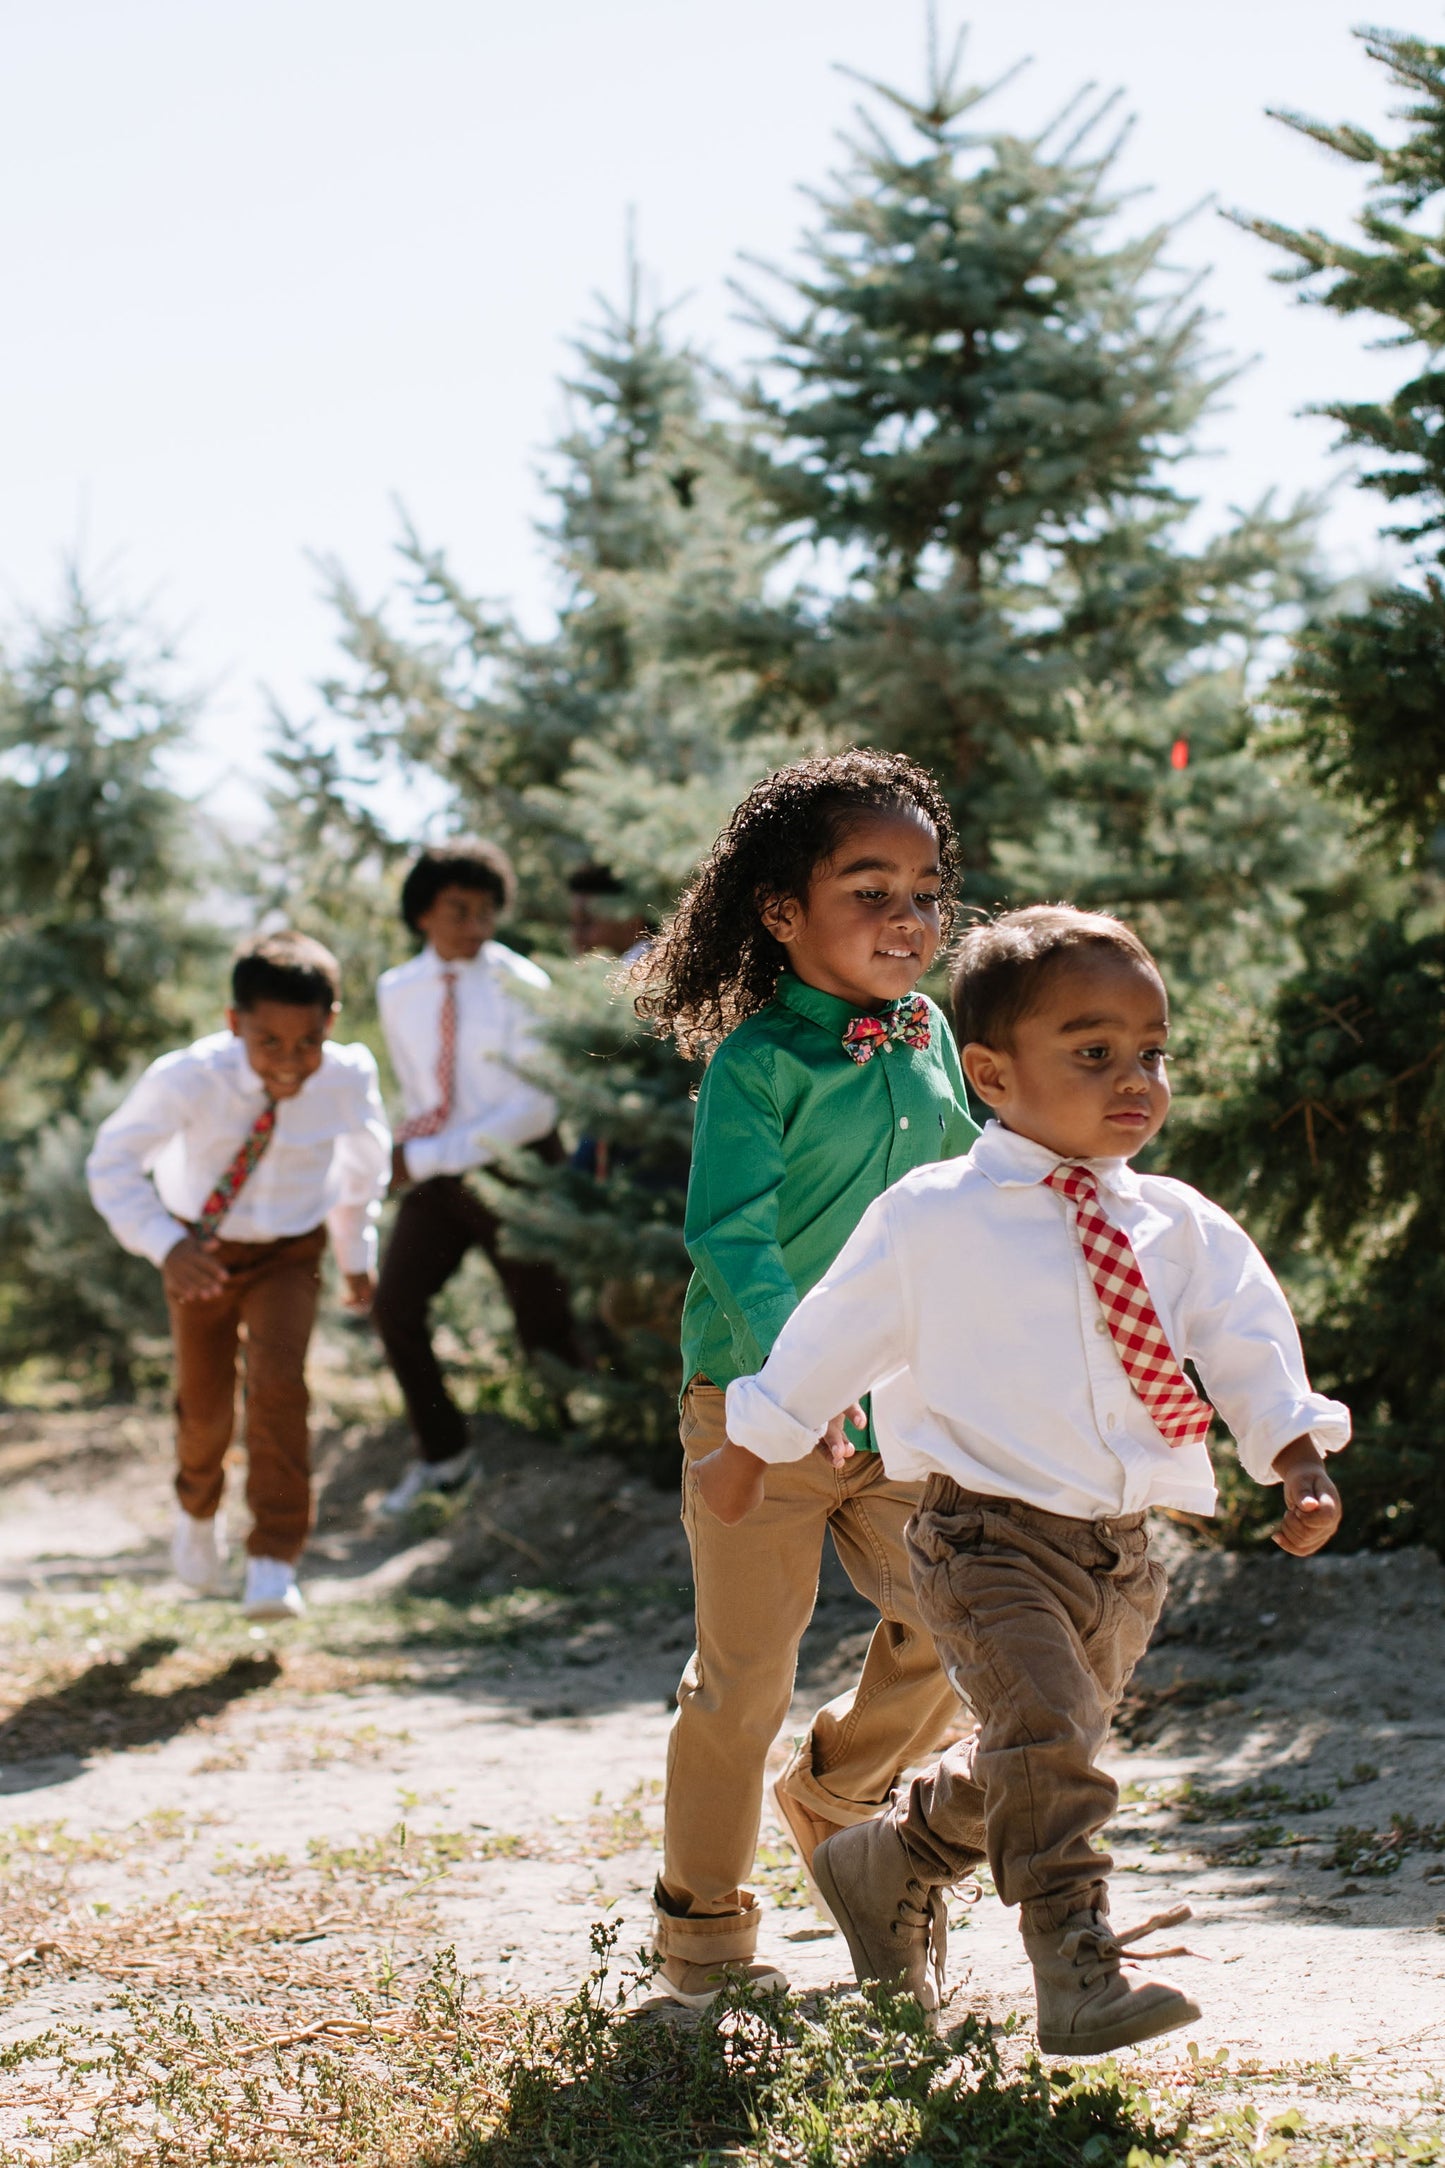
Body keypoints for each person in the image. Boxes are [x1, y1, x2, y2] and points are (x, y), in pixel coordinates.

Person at [704, 904, 1349, 2056]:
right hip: (981, 1538)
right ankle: (1076, 1959)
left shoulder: (1174, 1222)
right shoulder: (933, 1216)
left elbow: (1245, 1337)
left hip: (1119, 1551)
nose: (1132, 1080)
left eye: (1150, 1052)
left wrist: (1292, 1452)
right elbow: (831, 1332)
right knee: (1047, 1735)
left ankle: (890, 1854)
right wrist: (753, 1438)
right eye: (1091, 1052)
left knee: (1034, 1750)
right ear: (990, 1073)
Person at [628, 747, 981, 2010]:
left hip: (906, 1409)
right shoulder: (757, 1064)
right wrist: (803, 1379)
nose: (908, 917)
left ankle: (833, 1795)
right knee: (743, 1676)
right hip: (757, 1411)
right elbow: (731, 1241)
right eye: (868, 888)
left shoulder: (933, 1034)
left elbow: (972, 1197)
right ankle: (702, 1934)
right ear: (782, 912)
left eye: (927, 890)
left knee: (959, 1613)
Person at [86, 930, 391, 1621]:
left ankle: (272, 1559)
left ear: (330, 1024)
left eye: (307, 1043)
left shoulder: (345, 1078)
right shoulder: (188, 1078)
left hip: (290, 1252)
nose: (289, 1063)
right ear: (234, 1025)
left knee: (280, 1385)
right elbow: (111, 1163)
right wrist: (165, 1244)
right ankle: (196, 1510)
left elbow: (360, 1174)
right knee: (205, 1406)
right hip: (201, 1254)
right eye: (268, 1044)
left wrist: (355, 1255)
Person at [372, 840, 579, 1516]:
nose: (476, 926)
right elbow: (418, 1089)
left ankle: (571, 1463)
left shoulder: (522, 985)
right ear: (422, 913)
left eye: (487, 911)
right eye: (459, 910)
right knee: (395, 1307)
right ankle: (443, 1455)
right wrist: (406, 1155)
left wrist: (433, 1158)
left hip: (516, 1165)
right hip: (440, 1169)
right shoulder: (397, 990)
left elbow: (537, 1105)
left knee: (542, 1319)